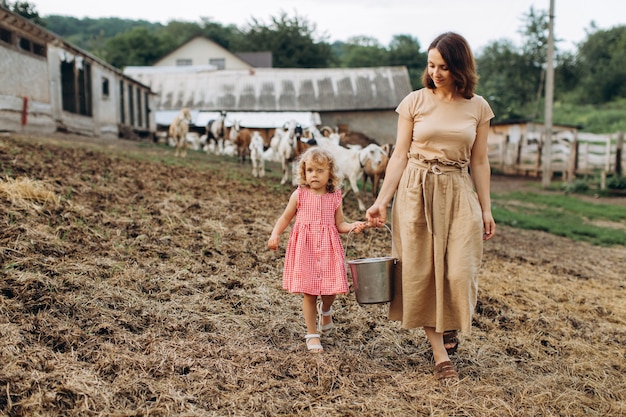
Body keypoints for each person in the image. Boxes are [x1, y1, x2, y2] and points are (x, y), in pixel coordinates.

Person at [365, 32, 496, 382]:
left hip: (457, 189)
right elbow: (398, 155)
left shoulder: (478, 107)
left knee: (459, 270)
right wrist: (381, 200)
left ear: (459, 68)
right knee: (419, 271)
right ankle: (441, 356)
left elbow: (480, 162)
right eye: (431, 65)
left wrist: (486, 208)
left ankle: (449, 321)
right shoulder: (414, 102)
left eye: (443, 66)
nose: (435, 73)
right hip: (415, 189)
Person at [268, 147, 368, 353]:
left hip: (329, 248)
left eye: (320, 170)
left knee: (330, 289)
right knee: (310, 293)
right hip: (306, 248)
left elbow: (340, 224)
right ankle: (312, 334)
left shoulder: (335, 196)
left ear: (330, 173)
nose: (314, 175)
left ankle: (327, 309)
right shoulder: (299, 194)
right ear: (303, 172)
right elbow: (286, 217)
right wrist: (275, 233)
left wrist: (352, 226)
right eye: (310, 170)